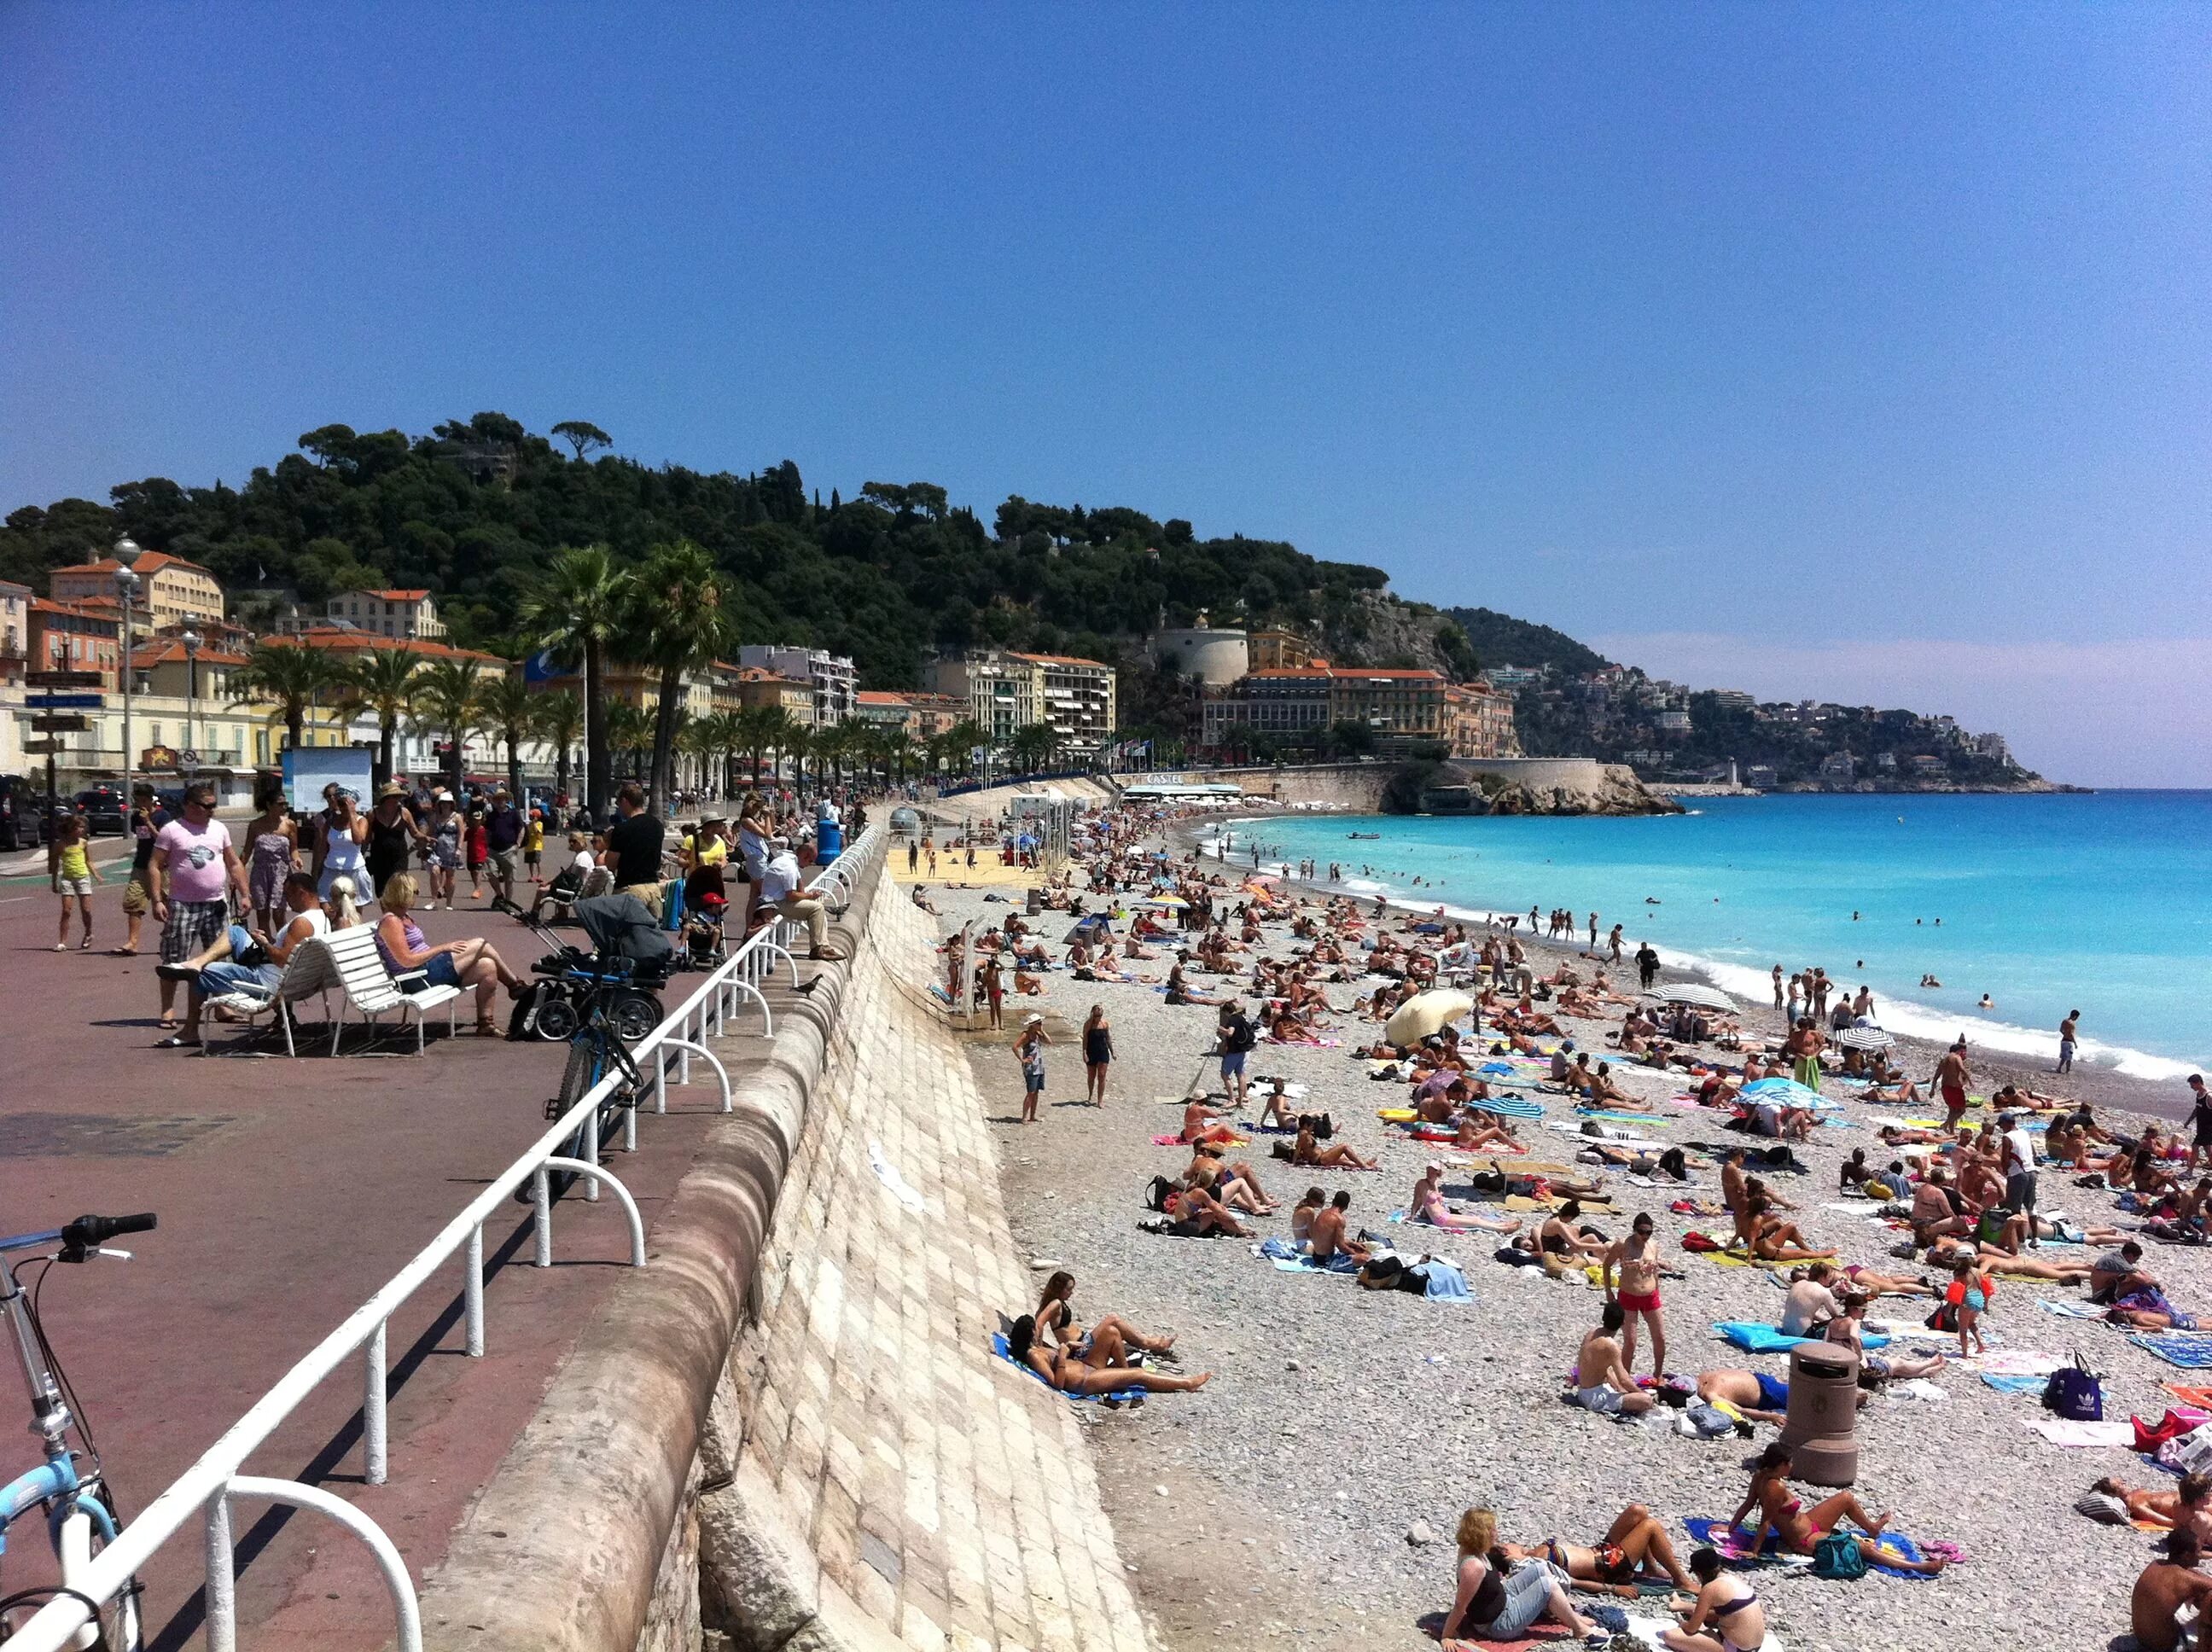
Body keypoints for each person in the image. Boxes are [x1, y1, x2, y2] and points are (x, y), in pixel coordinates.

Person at [155, 871, 329, 1047]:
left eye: (288, 894)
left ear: (301, 892)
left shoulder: (302, 923)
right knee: (236, 932)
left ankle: (190, 1031)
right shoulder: (322, 918)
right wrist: (266, 944)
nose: (287, 900)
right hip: (289, 979)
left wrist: (265, 944)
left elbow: (283, 960)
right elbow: (288, 957)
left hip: (266, 982)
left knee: (200, 973)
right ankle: (198, 962)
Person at [1728, 1443, 1943, 1573]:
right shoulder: (1775, 1487)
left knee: (1845, 1498)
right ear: (1782, 1465)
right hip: (1803, 1540)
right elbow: (1765, 1522)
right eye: (1790, 1463)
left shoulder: (1761, 1476)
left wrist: (1730, 1529)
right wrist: (1754, 1551)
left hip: (1808, 1523)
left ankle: (1873, 1529)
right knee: (1862, 1549)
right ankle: (1919, 1567)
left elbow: (1747, 1505)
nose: (1792, 1466)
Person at [149, 780, 249, 1049]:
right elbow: (156, 865)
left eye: (214, 806)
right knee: (174, 958)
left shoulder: (219, 829)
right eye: (206, 806)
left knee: (218, 956)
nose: (211, 811)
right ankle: (167, 1009)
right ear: (190, 806)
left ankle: (222, 1006)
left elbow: (233, 862)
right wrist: (158, 899)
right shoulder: (172, 830)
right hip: (182, 903)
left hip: (215, 903)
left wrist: (245, 893)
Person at [373, 871, 525, 1034]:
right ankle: (514, 985)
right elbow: (406, 960)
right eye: (415, 892)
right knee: (481, 944)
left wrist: (439, 951)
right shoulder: (391, 921)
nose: (417, 895)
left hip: (427, 969)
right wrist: (443, 948)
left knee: (487, 966)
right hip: (415, 977)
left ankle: (486, 1024)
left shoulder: (403, 916)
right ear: (403, 893)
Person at [1441, 1509, 1604, 1647]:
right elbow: (1460, 1605)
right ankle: (1579, 1629)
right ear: (1482, 1535)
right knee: (1548, 1585)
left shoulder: (1469, 1548)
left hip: (1502, 1598)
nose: (1496, 1532)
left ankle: (1570, 1616)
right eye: (1493, 1530)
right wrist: (1447, 1635)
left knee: (1539, 1567)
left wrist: (1495, 1546)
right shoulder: (1473, 1567)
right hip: (1498, 1624)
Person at [1500, 1504, 1697, 1597]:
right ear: (1504, 1552)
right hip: (1608, 1566)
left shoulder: (1532, 1555)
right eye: (1508, 1544)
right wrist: (1613, 1589)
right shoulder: (1530, 1565)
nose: (1513, 1542)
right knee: (1650, 1526)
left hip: (1601, 1551)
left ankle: (1650, 1568)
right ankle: (1682, 1580)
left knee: (1638, 1511)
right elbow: (1571, 1582)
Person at [1004, 1315, 1210, 1395]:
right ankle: (1186, 1383)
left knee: (1112, 1333)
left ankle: (1122, 1375)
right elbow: (1057, 1384)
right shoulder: (1034, 1356)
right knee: (1138, 1374)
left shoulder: (1037, 1349)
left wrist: (1067, 1348)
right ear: (1030, 1333)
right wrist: (1063, 1356)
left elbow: (1060, 1356)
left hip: (1087, 1367)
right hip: (1084, 1381)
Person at [1033, 1271, 1173, 1358]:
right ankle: (1150, 1343)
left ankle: (1150, 1342)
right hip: (1081, 1346)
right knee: (1113, 1319)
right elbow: (1039, 1323)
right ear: (1060, 1289)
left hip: (1084, 1339)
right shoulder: (1055, 1304)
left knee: (1114, 1329)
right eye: (1069, 1289)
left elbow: (1037, 1319)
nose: (1071, 1293)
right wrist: (1040, 1348)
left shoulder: (1052, 1302)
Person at [1661, 1547, 1767, 1652]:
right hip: (1754, 1647)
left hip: (1735, 1648)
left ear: (1699, 1574)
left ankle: (1679, 1605)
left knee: (1669, 1636)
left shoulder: (1710, 1588)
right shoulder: (1732, 1580)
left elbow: (1691, 1628)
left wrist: (1683, 1624)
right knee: (1706, 1622)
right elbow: (1716, 1614)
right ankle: (1679, 1604)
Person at [1603, 1212, 1668, 1378]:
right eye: (1641, 1231)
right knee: (1630, 1341)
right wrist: (1608, 1291)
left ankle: (1658, 1374)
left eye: (1649, 1232)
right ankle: (1625, 1377)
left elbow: (1655, 1272)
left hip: (1650, 1296)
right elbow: (1607, 1265)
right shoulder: (1623, 1245)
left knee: (1660, 1337)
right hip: (1628, 1296)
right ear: (1634, 1230)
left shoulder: (1653, 1245)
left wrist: (1657, 1289)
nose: (1645, 1236)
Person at [758, 836, 844, 962]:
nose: (810, 865)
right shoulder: (789, 867)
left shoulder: (788, 861)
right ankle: (817, 949)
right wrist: (810, 896)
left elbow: (799, 885)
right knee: (817, 909)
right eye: (810, 861)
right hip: (774, 905)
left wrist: (805, 895)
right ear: (804, 856)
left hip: (774, 901)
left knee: (818, 911)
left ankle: (824, 946)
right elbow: (791, 895)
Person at [2131, 1527, 2212, 1652]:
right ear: (2186, 1555)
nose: (2200, 1555)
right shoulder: (2185, 1579)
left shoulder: (2157, 1563)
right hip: (2166, 1646)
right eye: (2199, 1551)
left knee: (2199, 1592)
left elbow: (2190, 1574)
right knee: (2210, 1596)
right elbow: (2200, 1582)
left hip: (2141, 1638)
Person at [1571, 1302, 1656, 1416]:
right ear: (1623, 1323)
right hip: (1594, 1400)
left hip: (1582, 1393)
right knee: (1646, 1400)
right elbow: (1624, 1380)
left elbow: (1601, 1368)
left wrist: (1619, 1388)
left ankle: (1621, 1394)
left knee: (1610, 1370)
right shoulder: (1611, 1346)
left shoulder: (1592, 1333)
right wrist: (1640, 1393)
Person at [114, 782, 167, 958]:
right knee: (133, 902)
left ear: (151, 800)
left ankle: (169, 940)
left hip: (162, 867)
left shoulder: (163, 816)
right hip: (141, 865)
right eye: (138, 801)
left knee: (168, 905)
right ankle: (132, 942)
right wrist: (142, 819)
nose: (140, 804)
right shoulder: (136, 817)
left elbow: (163, 840)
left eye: (143, 800)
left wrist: (148, 822)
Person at [241, 783, 300, 934]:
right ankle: (265, 946)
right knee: (262, 913)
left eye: (285, 804)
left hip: (281, 873)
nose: (284, 807)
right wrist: (237, 876)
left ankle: (282, 945)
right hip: (260, 873)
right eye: (280, 804)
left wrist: (297, 859)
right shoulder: (255, 825)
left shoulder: (289, 825)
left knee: (279, 913)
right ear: (269, 805)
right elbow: (247, 851)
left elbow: (294, 849)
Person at [602, 783, 666, 904]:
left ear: (625, 801)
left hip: (630, 889)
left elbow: (610, 864)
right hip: (653, 889)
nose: (619, 807)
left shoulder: (622, 829)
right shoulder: (657, 826)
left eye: (618, 803)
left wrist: (608, 843)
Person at [49, 811, 100, 951]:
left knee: (86, 910)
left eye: (83, 828)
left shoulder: (83, 843)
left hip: (83, 878)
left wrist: (96, 875)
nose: (82, 830)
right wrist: (54, 882)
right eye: (79, 827)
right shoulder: (61, 845)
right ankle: (62, 942)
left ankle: (88, 933)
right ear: (71, 828)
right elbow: (55, 865)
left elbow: (88, 860)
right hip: (67, 880)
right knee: (66, 911)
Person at [365, 782, 425, 900]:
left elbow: (415, 833)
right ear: (386, 798)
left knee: (398, 887)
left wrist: (425, 838)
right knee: (382, 892)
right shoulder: (373, 813)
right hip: (379, 857)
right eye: (395, 796)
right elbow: (367, 837)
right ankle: (387, 916)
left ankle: (398, 916)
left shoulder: (404, 813)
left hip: (399, 857)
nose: (398, 799)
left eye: (399, 796)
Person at [317, 787, 368, 900]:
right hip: (331, 868)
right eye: (341, 804)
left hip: (354, 869)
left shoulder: (361, 820)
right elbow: (322, 846)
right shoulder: (331, 821)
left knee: (353, 908)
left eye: (347, 804)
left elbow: (358, 840)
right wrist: (318, 869)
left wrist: (351, 814)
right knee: (327, 904)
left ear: (354, 803)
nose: (344, 807)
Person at [1778, 1263, 1842, 1337]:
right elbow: (1836, 1317)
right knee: (1840, 1325)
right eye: (1829, 1276)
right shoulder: (1824, 1291)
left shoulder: (1799, 1283)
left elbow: (1806, 1311)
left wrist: (1825, 1320)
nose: (1831, 1279)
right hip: (1802, 1333)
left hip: (1786, 1329)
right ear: (1822, 1277)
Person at [1217, 999, 1256, 1108]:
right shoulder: (1241, 1017)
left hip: (1234, 1051)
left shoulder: (1232, 1019)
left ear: (1226, 1012)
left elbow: (1230, 1033)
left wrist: (1222, 1029)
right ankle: (1243, 1097)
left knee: (1225, 1075)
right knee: (1241, 1075)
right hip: (1243, 1050)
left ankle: (1231, 1099)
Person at [1015, 1014, 1049, 1124]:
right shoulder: (1026, 1035)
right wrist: (1022, 1060)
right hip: (1030, 1068)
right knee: (1031, 1092)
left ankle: (1032, 1115)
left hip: (1039, 1066)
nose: (1040, 1025)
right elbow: (1014, 1047)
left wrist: (1042, 1031)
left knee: (1036, 1092)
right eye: (1038, 1023)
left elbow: (1049, 1042)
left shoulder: (1038, 1034)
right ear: (1033, 1025)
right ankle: (1024, 1116)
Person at [1936, 1039, 1971, 1130]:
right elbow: (1962, 1069)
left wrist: (1932, 1089)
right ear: (1958, 1051)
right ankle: (1945, 1124)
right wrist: (1970, 1081)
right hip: (1955, 1088)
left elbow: (1936, 1076)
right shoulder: (1957, 1057)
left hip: (1945, 1087)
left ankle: (1951, 1131)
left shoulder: (1944, 1060)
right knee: (1961, 1110)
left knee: (1952, 1110)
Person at [1081, 1004, 1113, 1106]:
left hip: (1103, 1051)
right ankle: (1090, 1094)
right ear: (1093, 1012)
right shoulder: (1088, 1024)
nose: (1100, 1009)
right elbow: (1085, 1038)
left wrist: (1112, 1052)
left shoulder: (1105, 1024)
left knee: (1102, 1075)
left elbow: (1108, 1038)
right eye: (1097, 1008)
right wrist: (1084, 1052)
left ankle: (1100, 1100)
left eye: (1101, 1008)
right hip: (1091, 1051)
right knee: (1091, 1076)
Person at [524, 808, 546, 885]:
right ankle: (532, 875)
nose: (530, 817)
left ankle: (540, 875)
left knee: (537, 861)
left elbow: (537, 832)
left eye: (532, 816)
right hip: (529, 846)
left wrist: (534, 824)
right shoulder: (528, 825)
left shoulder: (539, 824)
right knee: (530, 862)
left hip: (537, 845)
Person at [2057, 1009, 2080, 1075]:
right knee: (2069, 1057)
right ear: (2075, 1016)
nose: (2077, 1019)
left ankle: (2059, 1068)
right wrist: (2075, 1043)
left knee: (2064, 1057)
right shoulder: (2072, 1024)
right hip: (2069, 1042)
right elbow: (2071, 1034)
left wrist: (2065, 1034)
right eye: (2077, 1017)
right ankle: (2067, 1070)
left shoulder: (2064, 1021)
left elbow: (2061, 1030)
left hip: (2063, 1041)